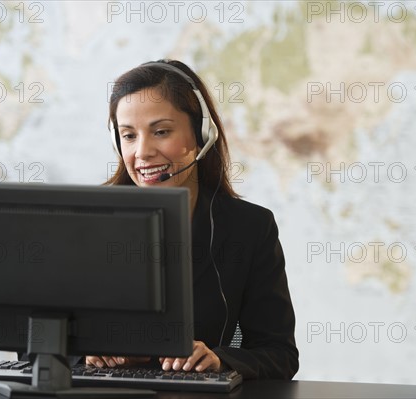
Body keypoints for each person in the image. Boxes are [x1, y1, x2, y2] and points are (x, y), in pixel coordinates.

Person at [86, 59, 298, 380]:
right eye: (128, 136)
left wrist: (220, 360)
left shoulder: (250, 228)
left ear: (202, 133)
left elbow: (279, 354)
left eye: (161, 131)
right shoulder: (88, 222)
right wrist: (86, 353)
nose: (142, 152)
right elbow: (35, 348)